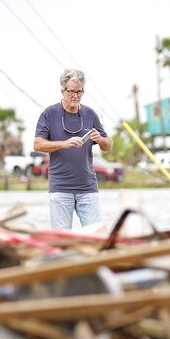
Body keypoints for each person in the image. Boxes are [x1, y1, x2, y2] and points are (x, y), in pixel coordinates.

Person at [33, 68, 113, 229]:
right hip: (61, 188)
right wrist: (63, 143)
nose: (76, 96)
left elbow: (108, 146)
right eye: (72, 92)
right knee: (62, 239)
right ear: (62, 91)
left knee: (96, 234)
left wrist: (100, 139)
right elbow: (38, 144)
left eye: (80, 92)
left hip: (88, 188)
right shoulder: (49, 113)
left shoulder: (90, 114)